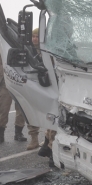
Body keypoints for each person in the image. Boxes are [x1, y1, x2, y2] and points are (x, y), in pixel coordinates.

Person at [0, 50, 40, 147]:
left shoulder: (22, 47)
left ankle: (18, 133)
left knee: (21, 110)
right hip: (5, 82)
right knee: (3, 109)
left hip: (20, 83)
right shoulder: (3, 47)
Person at [31, 28, 56, 166]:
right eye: (33, 36)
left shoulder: (49, 50)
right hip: (44, 89)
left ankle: (49, 147)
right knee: (51, 118)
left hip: (53, 87)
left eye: (37, 36)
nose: (35, 39)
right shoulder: (33, 51)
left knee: (53, 118)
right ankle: (49, 146)